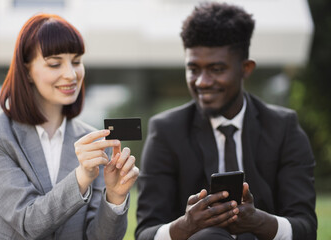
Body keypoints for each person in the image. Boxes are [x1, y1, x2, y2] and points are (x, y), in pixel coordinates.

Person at [136, 2, 317, 240]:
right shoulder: (166, 131)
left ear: (246, 69)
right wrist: (186, 225)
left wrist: (258, 221)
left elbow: (305, 229)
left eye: (216, 69)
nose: (201, 81)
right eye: (193, 69)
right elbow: (145, 232)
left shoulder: (283, 128)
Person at [0, 13, 139, 239]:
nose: (71, 74)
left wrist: (115, 198)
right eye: (54, 63)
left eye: (77, 61)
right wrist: (82, 176)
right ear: (27, 70)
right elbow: (28, 221)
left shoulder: (94, 141)